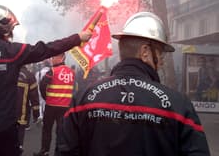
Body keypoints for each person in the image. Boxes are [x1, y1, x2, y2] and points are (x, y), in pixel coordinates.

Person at [55, 12, 210, 156]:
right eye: (160, 52)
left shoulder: (82, 100)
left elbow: (64, 151)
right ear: (144, 52)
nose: (162, 60)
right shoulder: (179, 106)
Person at [0, 5, 92, 156]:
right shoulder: (12, 51)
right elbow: (47, 48)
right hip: (6, 127)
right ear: (4, 27)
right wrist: (77, 38)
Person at [34, 53, 75, 156]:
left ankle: (45, 151)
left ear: (62, 58)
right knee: (61, 130)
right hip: (65, 106)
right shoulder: (71, 72)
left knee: (47, 129)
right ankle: (59, 151)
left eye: (54, 57)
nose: (52, 59)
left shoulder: (52, 71)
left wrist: (45, 97)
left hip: (51, 105)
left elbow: (42, 85)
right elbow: (74, 87)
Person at [16, 64, 40, 155]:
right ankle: (19, 148)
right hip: (21, 114)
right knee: (19, 140)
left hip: (7, 114)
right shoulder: (29, 76)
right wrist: (36, 115)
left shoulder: (8, 71)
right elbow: (34, 98)